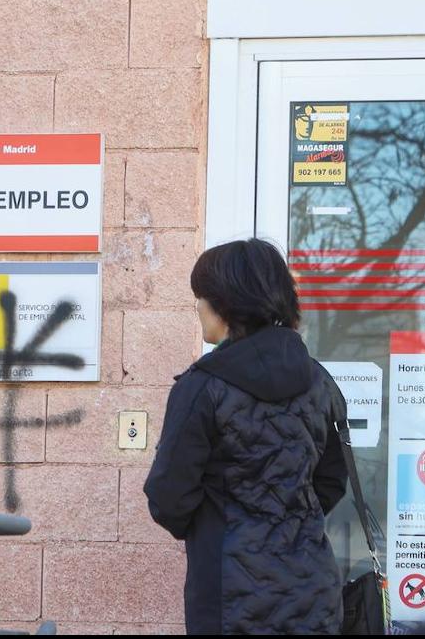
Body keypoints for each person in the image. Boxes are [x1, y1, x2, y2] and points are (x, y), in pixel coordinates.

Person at [144, 238, 349, 635]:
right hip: (312, 588)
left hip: (228, 593)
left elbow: (168, 494)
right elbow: (330, 481)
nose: (197, 307)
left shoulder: (202, 386)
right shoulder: (320, 382)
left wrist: (216, 526)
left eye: (201, 296)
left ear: (224, 304)